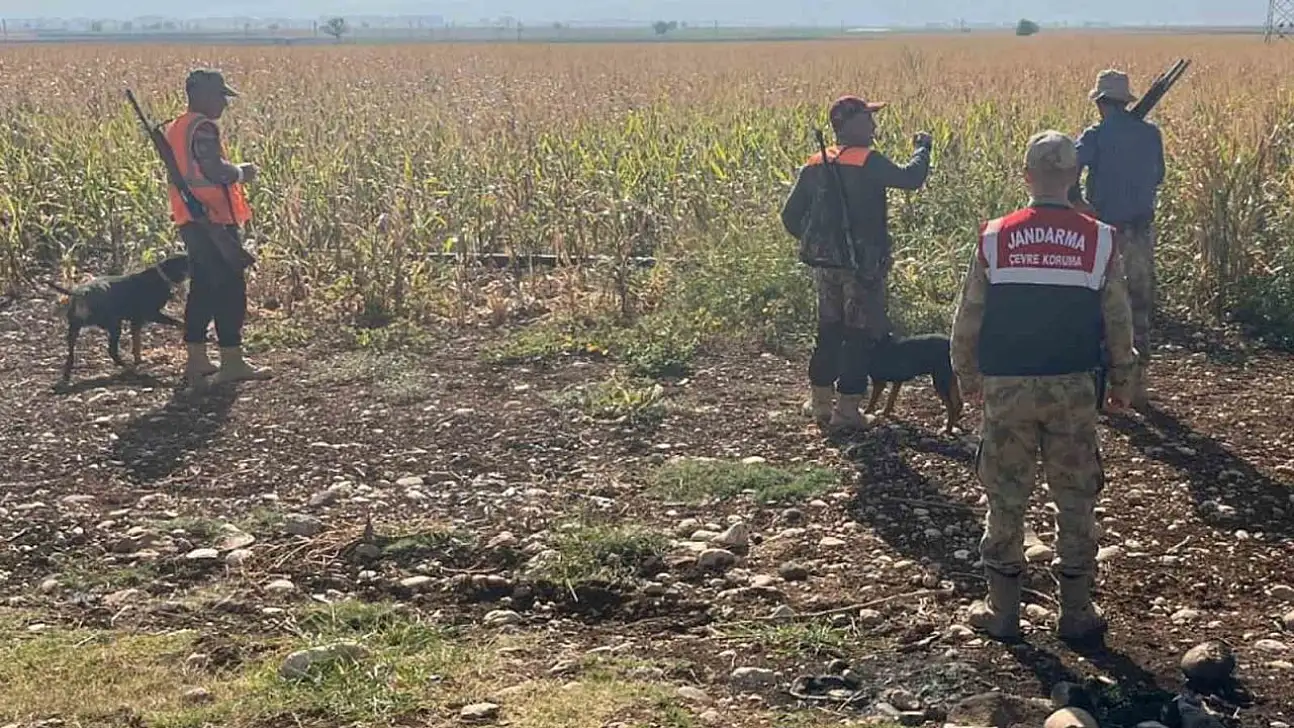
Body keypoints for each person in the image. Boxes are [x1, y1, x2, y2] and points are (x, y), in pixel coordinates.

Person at [951, 130, 1137, 643]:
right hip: (1073, 387)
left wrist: (967, 375)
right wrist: (1123, 378)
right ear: (1074, 176)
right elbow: (1118, 319)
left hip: (1006, 386)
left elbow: (969, 315)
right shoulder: (1101, 239)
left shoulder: (994, 236)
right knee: (1075, 496)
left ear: (1027, 176)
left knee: (1005, 494)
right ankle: (1076, 613)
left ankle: (1003, 612)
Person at [780, 95, 932, 433]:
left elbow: (790, 216)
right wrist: (923, 149)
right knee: (858, 335)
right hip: (863, 269)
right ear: (847, 125)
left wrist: (820, 244)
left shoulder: (815, 163)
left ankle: (820, 403)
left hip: (826, 266)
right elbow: (911, 178)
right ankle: (847, 411)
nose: (873, 125)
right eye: (867, 118)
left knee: (828, 331)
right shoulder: (868, 161)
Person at [164, 68, 272, 389]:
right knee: (229, 289)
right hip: (212, 219)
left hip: (191, 219)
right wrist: (240, 172)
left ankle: (197, 358)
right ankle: (232, 361)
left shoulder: (177, 127)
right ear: (200, 95)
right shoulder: (202, 127)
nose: (224, 103)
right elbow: (212, 168)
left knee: (203, 286)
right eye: (220, 96)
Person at [1071, 69, 1164, 410]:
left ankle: (1104, 387)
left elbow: (1068, 169)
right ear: (1125, 102)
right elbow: (1158, 176)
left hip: (1106, 234)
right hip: (1140, 233)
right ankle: (1137, 387)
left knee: (1103, 308)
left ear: (1100, 102)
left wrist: (1079, 203)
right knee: (1138, 306)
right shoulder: (1151, 134)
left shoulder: (1095, 135)